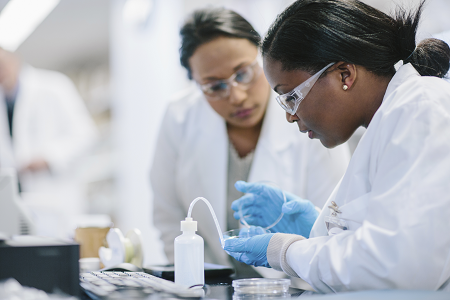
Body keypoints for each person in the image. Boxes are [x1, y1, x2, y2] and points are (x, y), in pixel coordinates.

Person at [224, 0, 450, 292]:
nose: (290, 116)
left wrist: (286, 251)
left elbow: (396, 265)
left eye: (291, 96)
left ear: (345, 74)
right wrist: (318, 231)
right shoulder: (389, 119)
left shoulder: (421, 107)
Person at [150, 7, 351, 277]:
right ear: (196, 85)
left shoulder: (312, 115)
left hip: (296, 285)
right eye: (214, 86)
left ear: (263, 57)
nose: (237, 96)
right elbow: (168, 216)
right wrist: (193, 283)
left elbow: (337, 225)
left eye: (243, 73)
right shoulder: (179, 117)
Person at [0, 48, 98, 238]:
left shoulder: (54, 86)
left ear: (14, 59)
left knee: (56, 253)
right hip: (16, 201)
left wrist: (47, 158)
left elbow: (85, 135)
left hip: (54, 196)